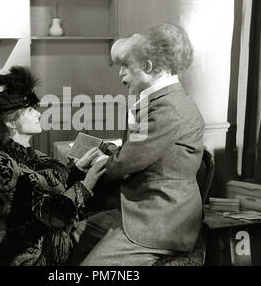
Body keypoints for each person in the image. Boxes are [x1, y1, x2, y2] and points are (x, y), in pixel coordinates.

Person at [68, 22, 205, 266]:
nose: (121, 74)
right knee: (73, 235)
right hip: (141, 210)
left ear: (148, 67)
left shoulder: (168, 109)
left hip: (162, 221)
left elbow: (124, 164)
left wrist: (100, 161)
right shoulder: (159, 102)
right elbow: (135, 151)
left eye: (126, 67)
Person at [0, 66, 107, 266]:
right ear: (11, 123)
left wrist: (77, 170)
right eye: (30, 110)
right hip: (7, 254)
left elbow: (49, 189)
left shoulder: (31, 154)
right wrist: (86, 184)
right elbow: (52, 215)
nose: (38, 115)